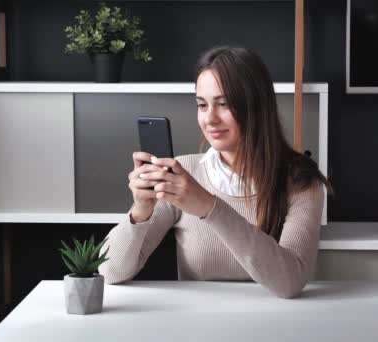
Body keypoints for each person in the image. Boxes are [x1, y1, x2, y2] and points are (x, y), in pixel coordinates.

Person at [99, 46, 331, 299]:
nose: (210, 119)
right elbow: (109, 272)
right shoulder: (182, 173)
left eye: (223, 104)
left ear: (256, 106)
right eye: (202, 105)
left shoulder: (301, 182)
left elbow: (290, 282)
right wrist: (140, 211)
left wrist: (209, 207)